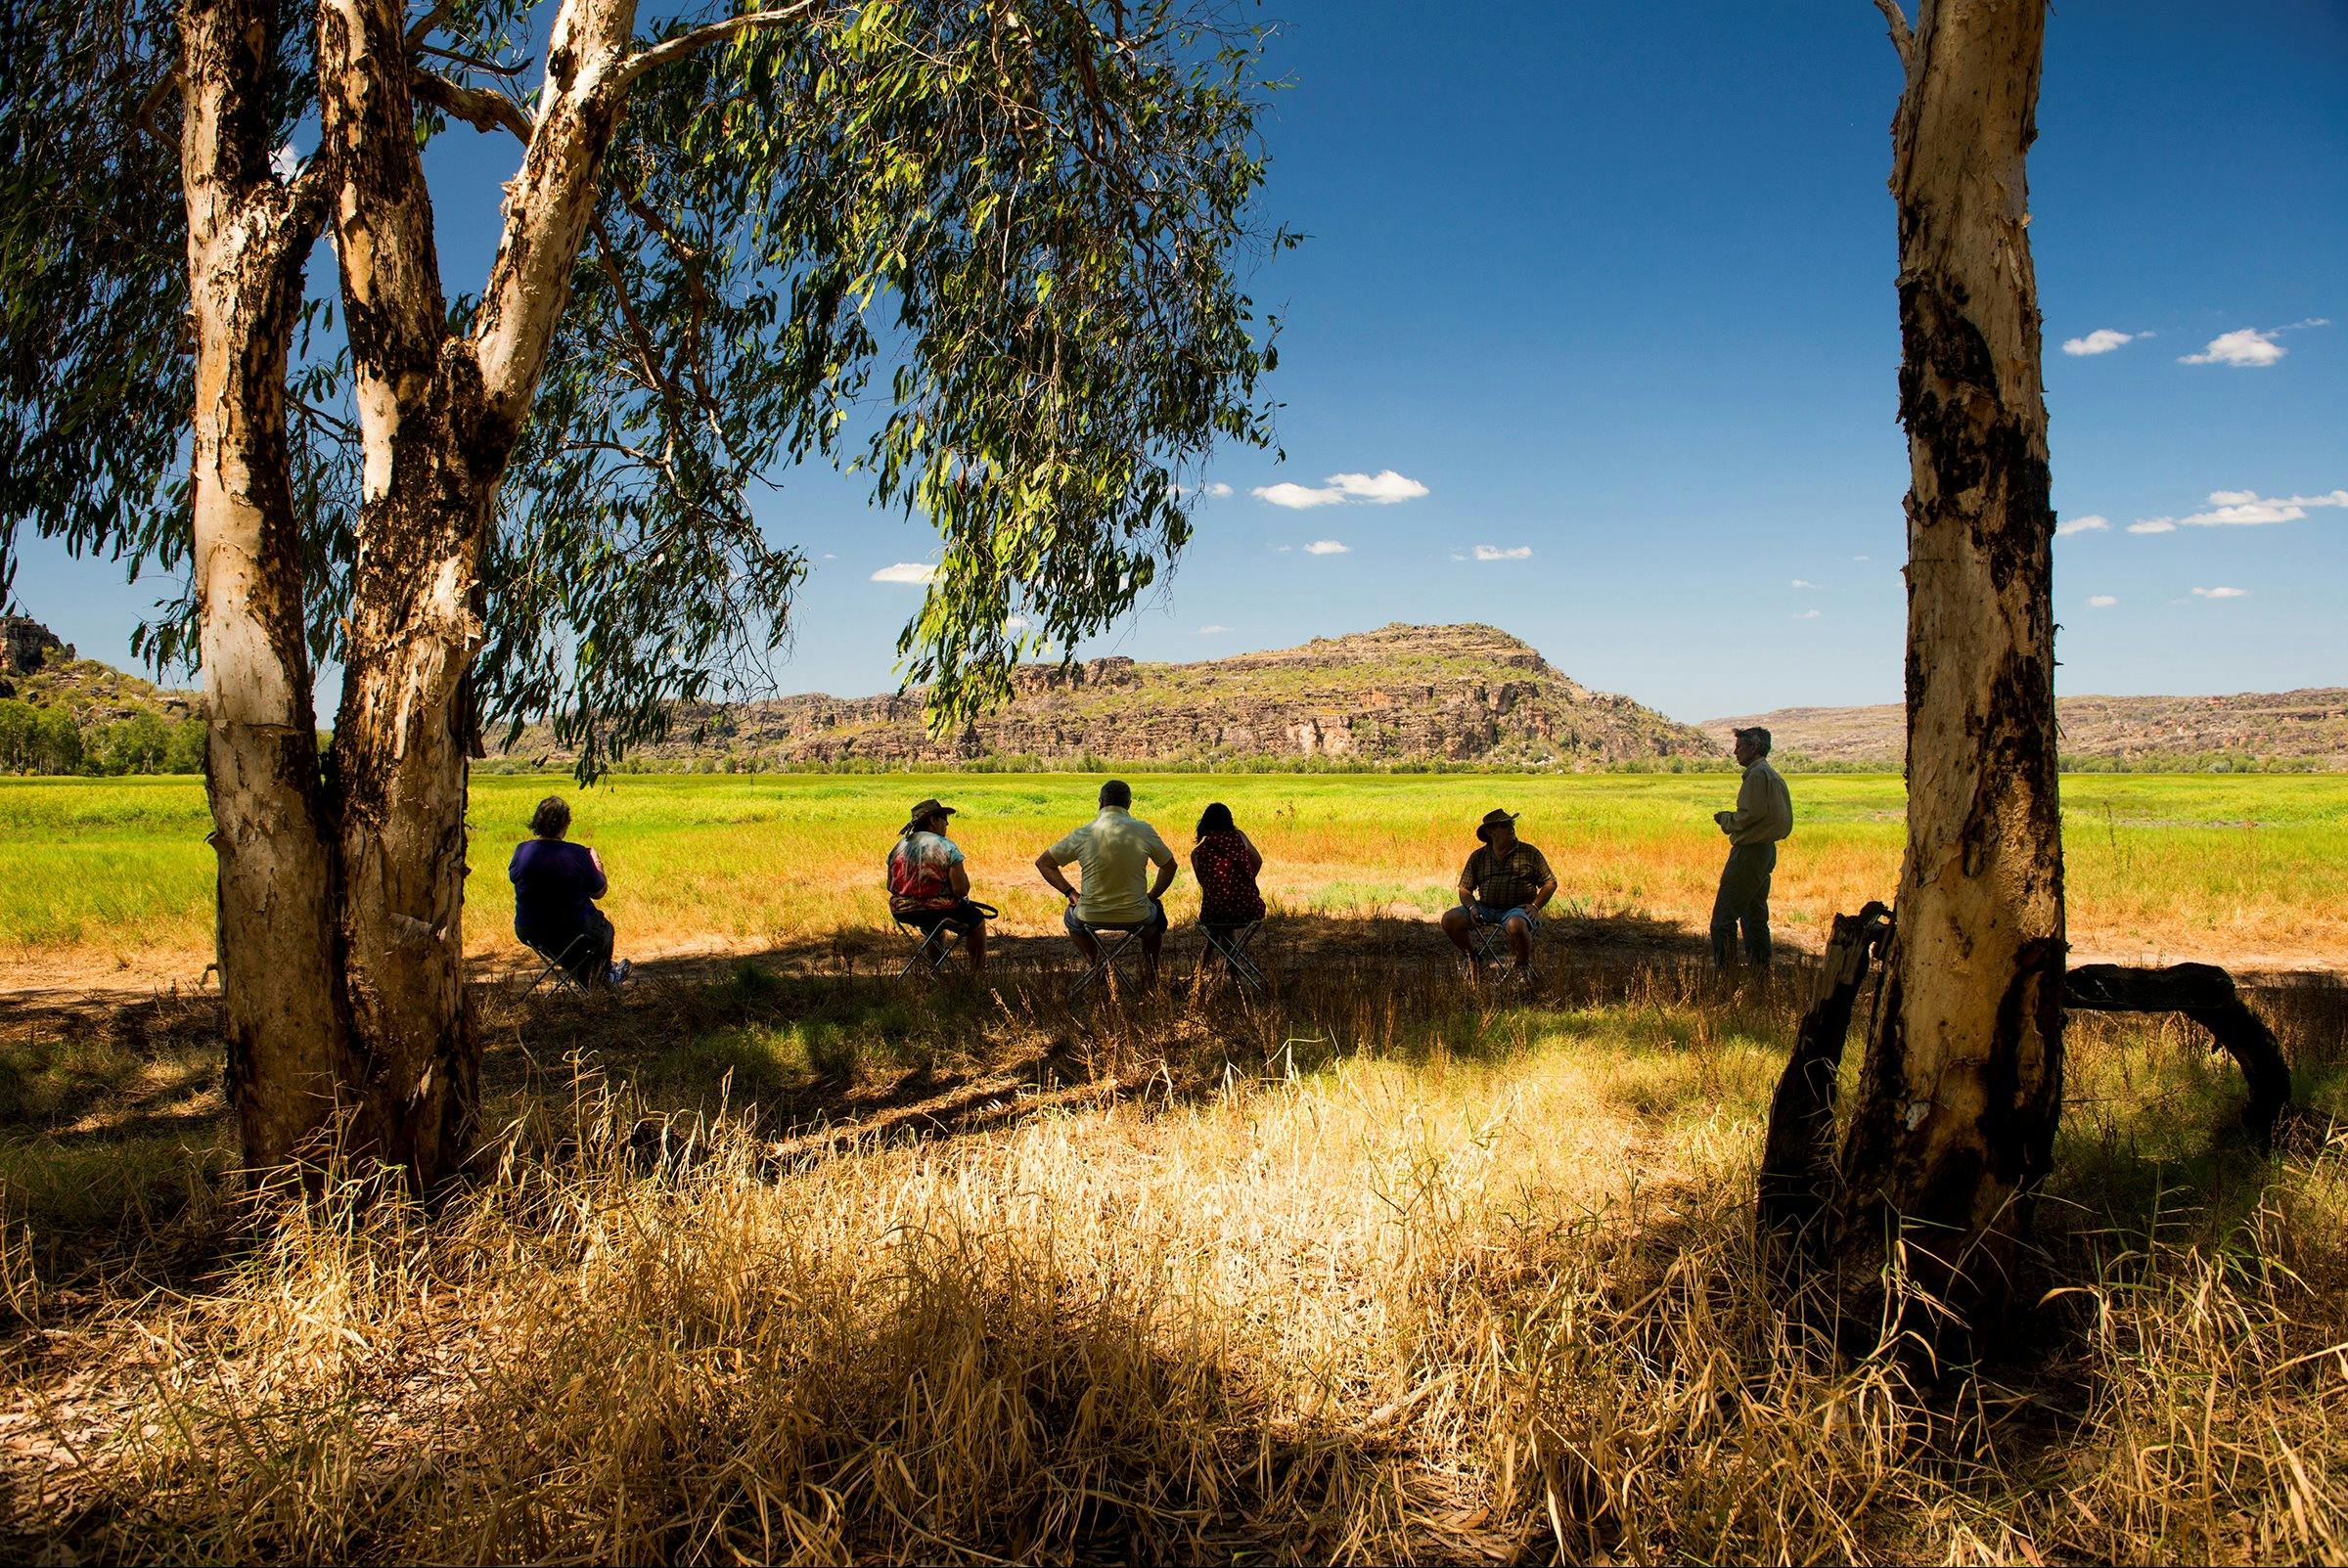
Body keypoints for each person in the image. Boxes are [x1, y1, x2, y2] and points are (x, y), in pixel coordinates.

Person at [1036, 779, 1178, 984]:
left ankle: (1097, 965)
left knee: (1071, 919)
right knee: (1156, 921)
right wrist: (1153, 896)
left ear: (1100, 802)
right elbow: (1169, 865)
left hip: (1089, 915)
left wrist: (1070, 893)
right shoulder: (1143, 830)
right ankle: (1151, 974)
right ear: (1128, 804)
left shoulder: (1084, 833)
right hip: (1137, 915)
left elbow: (1044, 863)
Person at [509, 795, 628, 987]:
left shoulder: (522, 850)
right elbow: (599, 892)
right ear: (565, 823)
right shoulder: (577, 853)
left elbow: (516, 877)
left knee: (563, 947)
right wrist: (597, 862)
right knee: (604, 931)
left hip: (529, 929)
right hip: (572, 928)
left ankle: (594, 979)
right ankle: (603, 978)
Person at [1710, 725, 1794, 968]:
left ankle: (1725, 978)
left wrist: (1726, 819)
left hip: (1749, 853)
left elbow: (1749, 815)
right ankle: (1760, 976)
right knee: (1754, 916)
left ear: (1754, 747)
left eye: (1739, 747)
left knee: (1723, 919)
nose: (1735, 752)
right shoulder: (1772, 774)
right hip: (1765, 851)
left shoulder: (1757, 775)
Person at [1442, 809, 1557, 977]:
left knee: (1516, 925)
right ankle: (1474, 960)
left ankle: (1521, 968)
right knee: (1449, 919)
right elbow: (1464, 888)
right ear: (1490, 831)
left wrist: (1535, 906)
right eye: (1504, 825)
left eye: (1511, 824)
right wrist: (1472, 907)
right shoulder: (1479, 856)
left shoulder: (1529, 852)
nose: (1511, 828)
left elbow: (1550, 882)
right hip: (1485, 908)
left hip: (1516, 910)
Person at [887, 796, 988, 977]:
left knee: (933, 927)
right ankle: (977, 975)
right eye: (944, 819)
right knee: (977, 922)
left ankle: (936, 971)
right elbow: (960, 890)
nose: (947, 825)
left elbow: (890, 885)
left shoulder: (899, 846)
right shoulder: (946, 846)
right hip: (936, 909)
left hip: (901, 910)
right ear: (933, 821)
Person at [1191, 802, 1267, 968]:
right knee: (1224, 924)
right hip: (1249, 908)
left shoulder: (1197, 853)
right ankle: (1233, 974)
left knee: (1220, 922)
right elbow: (1258, 861)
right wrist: (1245, 882)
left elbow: (1206, 885)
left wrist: (1225, 889)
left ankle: (1204, 971)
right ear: (1229, 820)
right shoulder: (1240, 837)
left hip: (1214, 912)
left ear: (1205, 823)